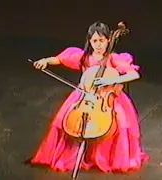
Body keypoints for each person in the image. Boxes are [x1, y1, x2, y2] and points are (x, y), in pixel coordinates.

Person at [30, 21, 149, 173]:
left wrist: (112, 79)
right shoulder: (83, 58)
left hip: (106, 99)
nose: (98, 45)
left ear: (108, 40)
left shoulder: (113, 58)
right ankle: (78, 155)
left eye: (102, 40)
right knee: (69, 120)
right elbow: (60, 59)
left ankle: (106, 158)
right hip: (85, 96)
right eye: (94, 41)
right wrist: (46, 61)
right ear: (89, 41)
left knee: (119, 122)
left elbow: (134, 74)